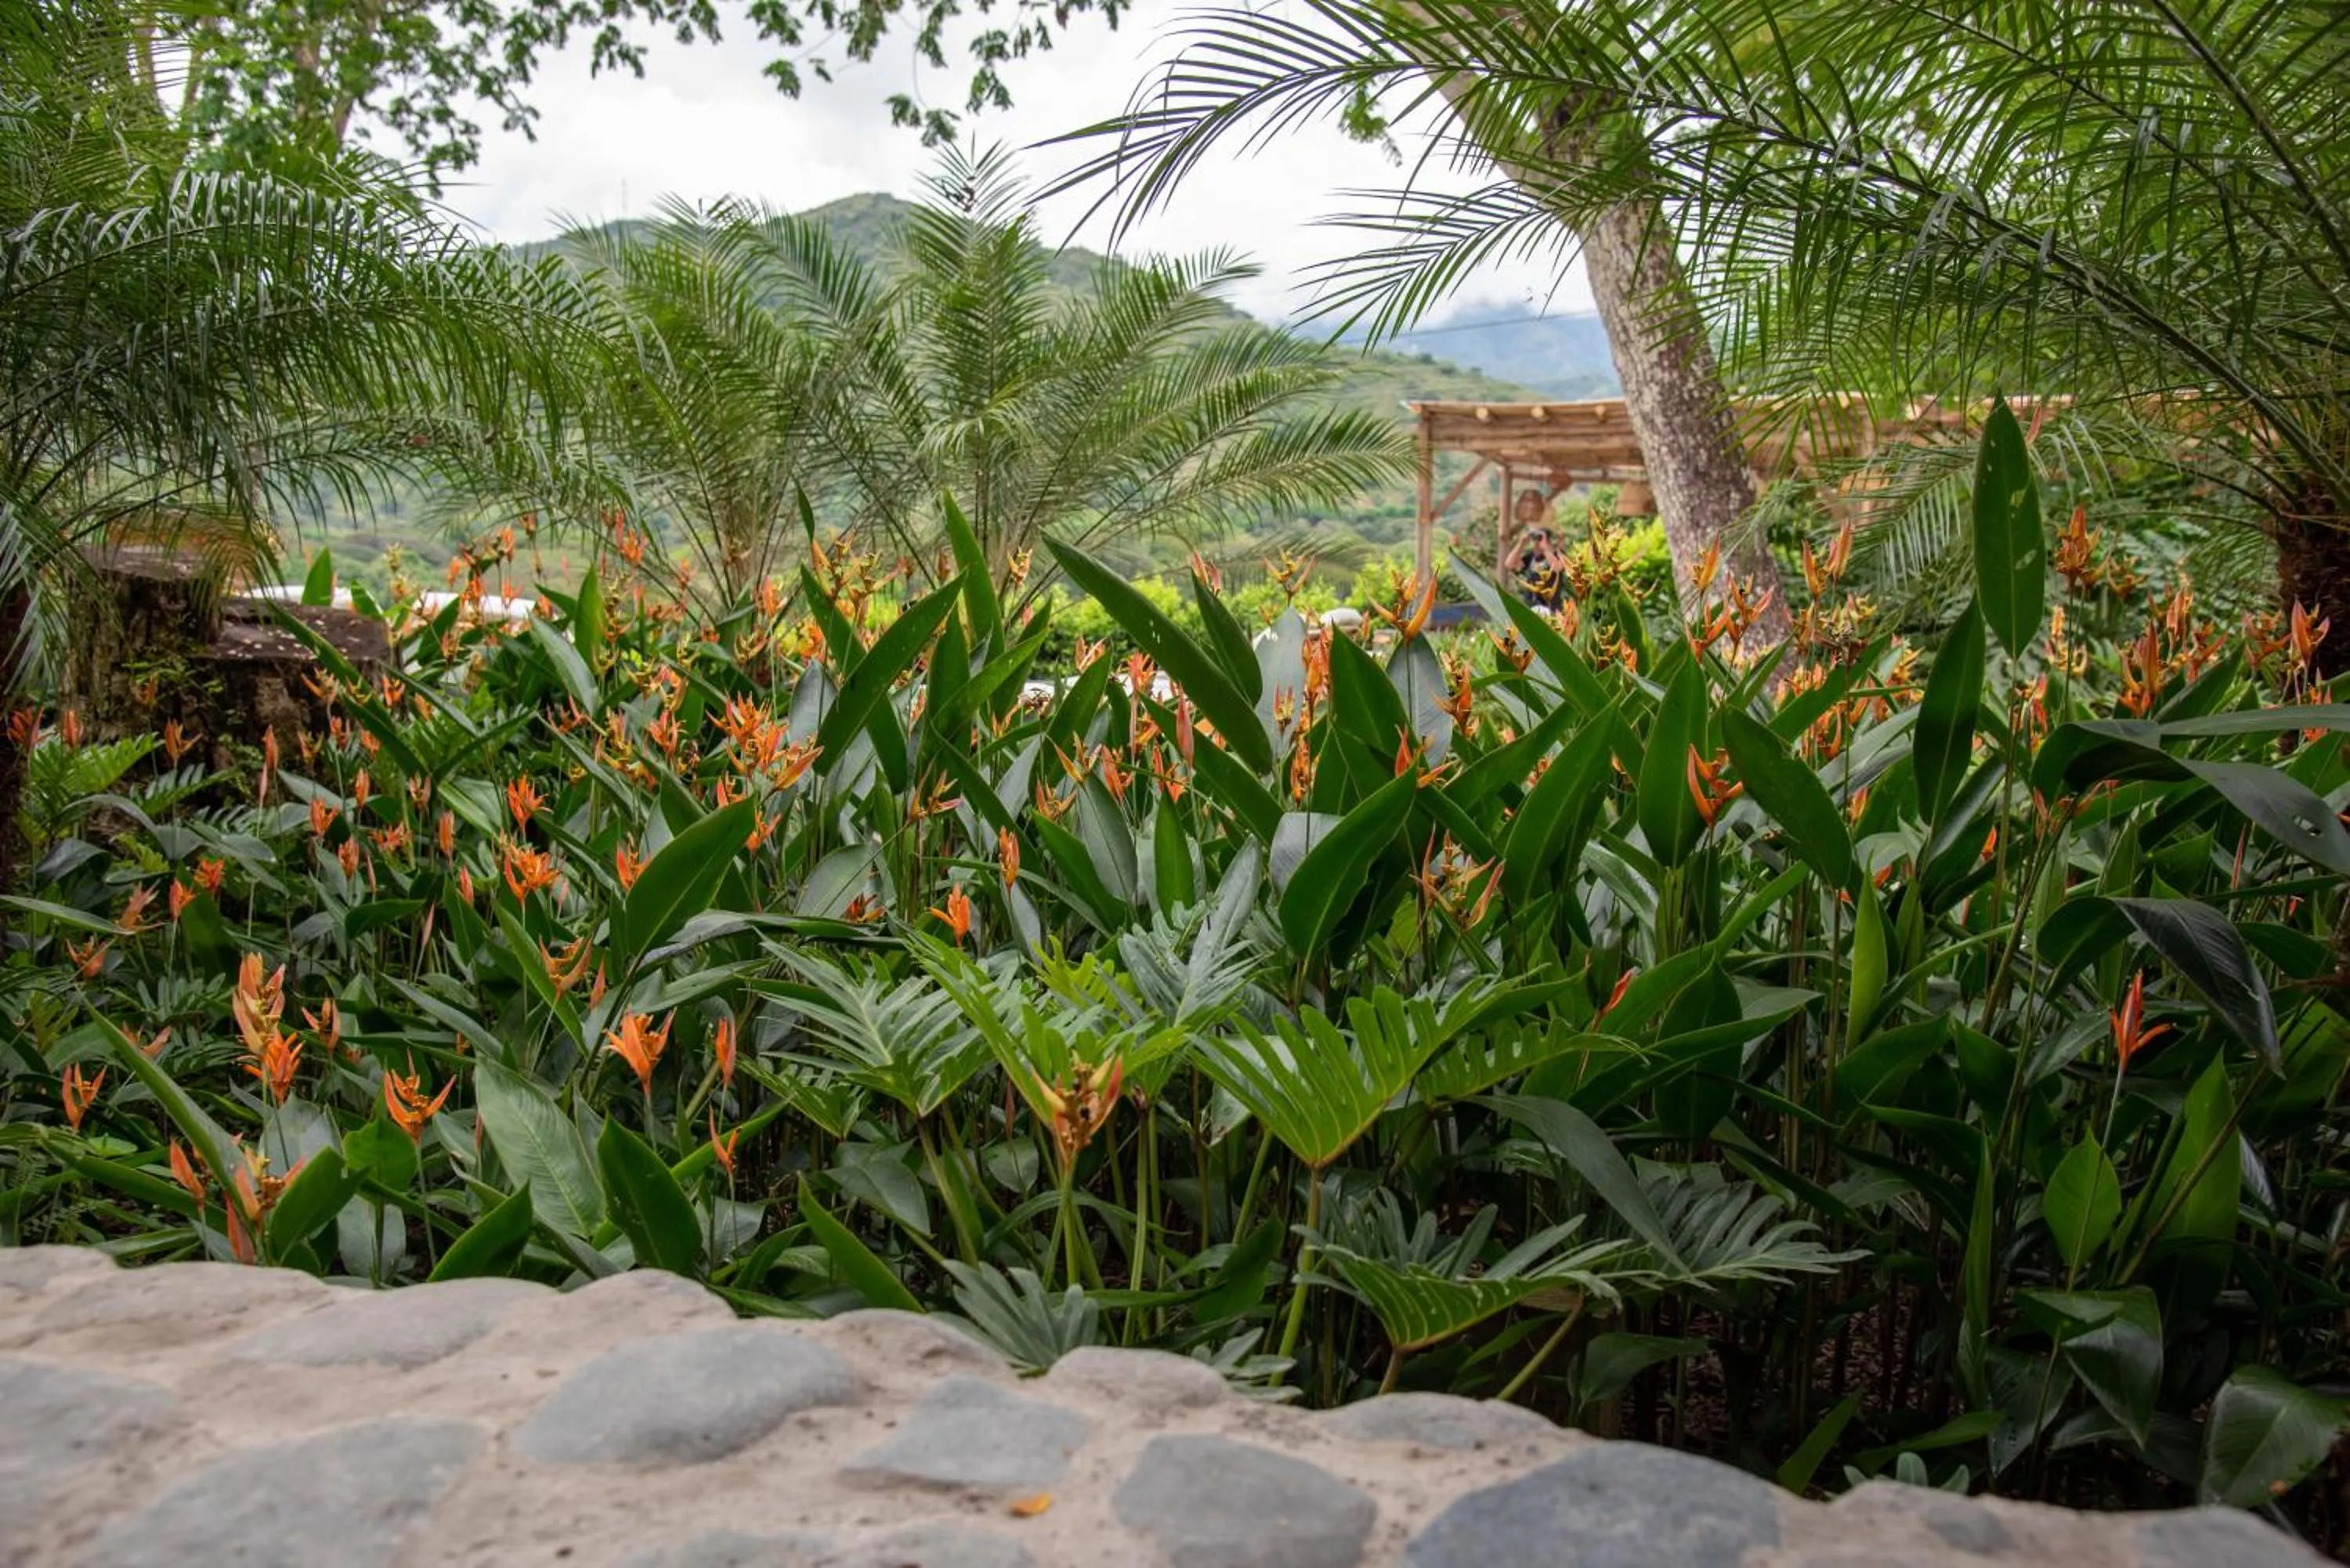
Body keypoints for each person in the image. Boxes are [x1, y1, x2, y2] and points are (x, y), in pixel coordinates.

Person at [1509, 491, 1566, 609]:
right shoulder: (1531, 558)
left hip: (1551, 609)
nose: (1535, 543)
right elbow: (1510, 565)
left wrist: (1546, 549)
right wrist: (1521, 544)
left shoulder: (1556, 555)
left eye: (1538, 539)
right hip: (1531, 608)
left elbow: (1558, 568)